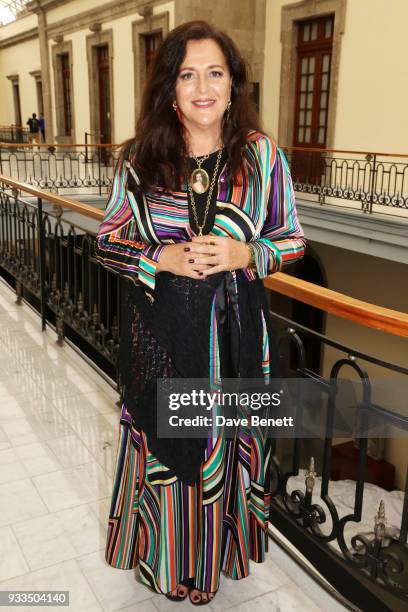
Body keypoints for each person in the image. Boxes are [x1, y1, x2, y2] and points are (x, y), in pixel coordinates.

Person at [95, 20, 306, 605]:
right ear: (170, 88)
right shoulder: (141, 158)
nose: (203, 87)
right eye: (187, 75)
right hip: (160, 338)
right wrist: (158, 256)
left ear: (234, 85)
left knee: (221, 449)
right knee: (169, 455)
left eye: (215, 73)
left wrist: (248, 253)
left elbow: (291, 239)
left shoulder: (262, 157)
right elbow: (107, 241)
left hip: (235, 344)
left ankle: (208, 565)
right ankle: (170, 565)